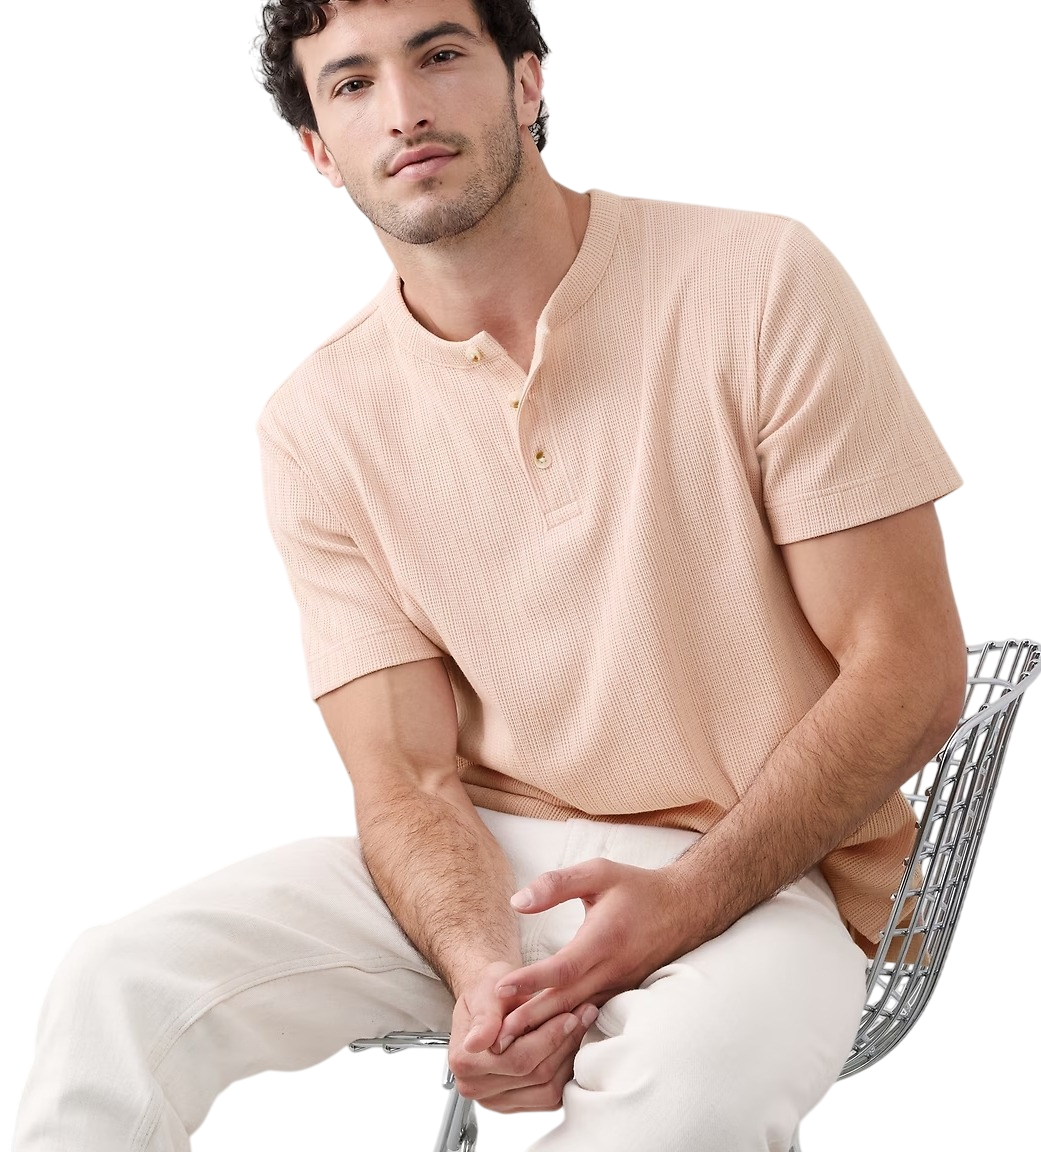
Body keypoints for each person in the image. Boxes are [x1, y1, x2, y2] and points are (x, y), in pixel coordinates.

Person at [13, 1, 968, 1149]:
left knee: (690, 1084)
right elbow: (406, 781)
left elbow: (907, 670)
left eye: (440, 56)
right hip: (488, 870)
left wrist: (685, 902)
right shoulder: (316, 425)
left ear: (527, 82)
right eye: (352, 84)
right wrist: (481, 976)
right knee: (123, 979)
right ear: (320, 150)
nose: (404, 109)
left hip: (769, 872)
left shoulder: (756, 281)